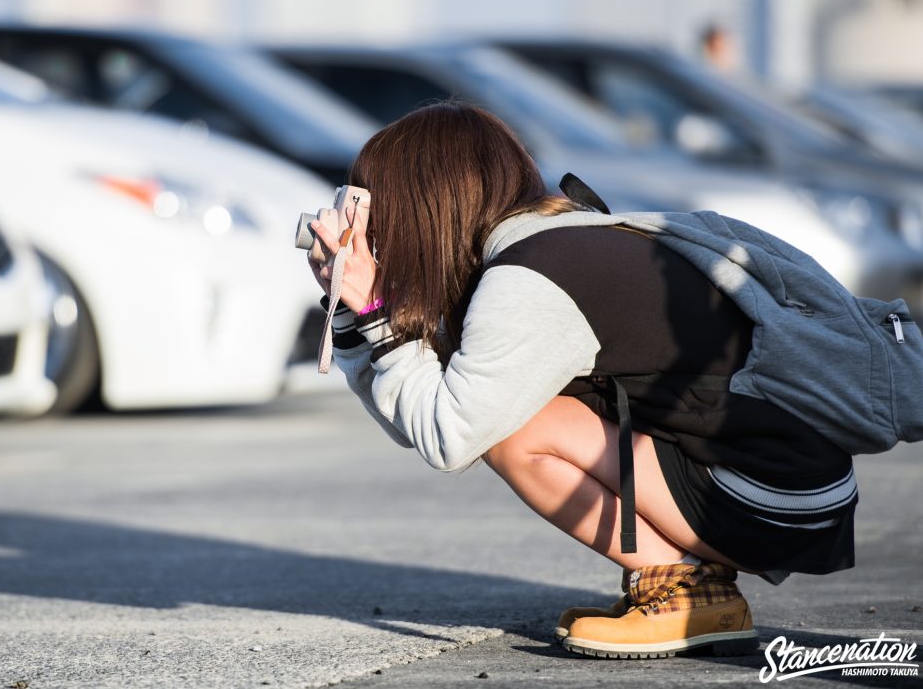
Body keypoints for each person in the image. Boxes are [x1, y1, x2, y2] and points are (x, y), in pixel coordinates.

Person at [305, 102, 857, 659]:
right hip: (783, 476)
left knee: (516, 433)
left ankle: (686, 591)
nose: (373, 232)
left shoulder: (528, 278)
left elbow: (447, 437)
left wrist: (376, 310)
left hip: (776, 493)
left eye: (375, 209)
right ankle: (684, 581)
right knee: (499, 417)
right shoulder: (543, 243)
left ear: (422, 206)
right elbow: (414, 419)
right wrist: (353, 317)